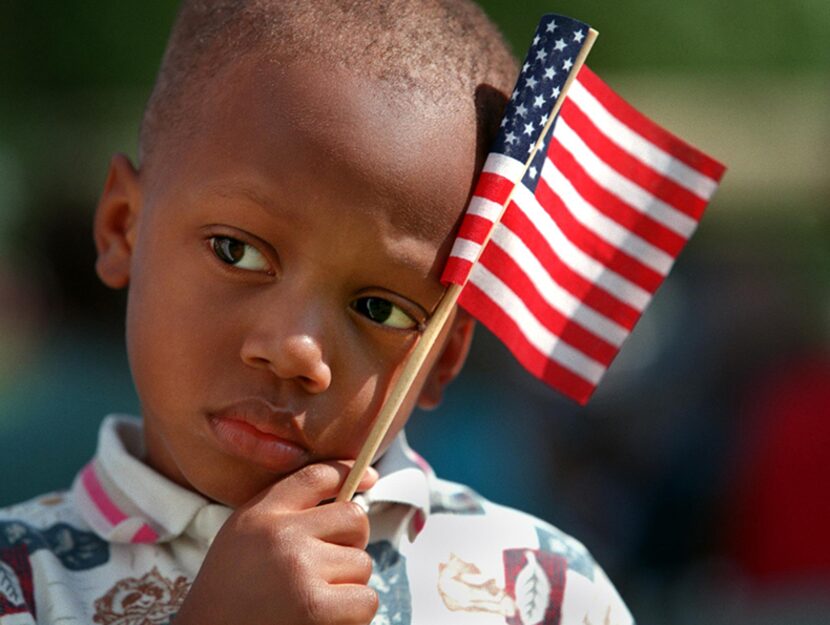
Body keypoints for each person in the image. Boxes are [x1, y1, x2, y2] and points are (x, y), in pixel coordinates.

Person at [0, 1, 633, 623]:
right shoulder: (21, 583)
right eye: (237, 251)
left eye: (380, 309)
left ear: (445, 357)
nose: (296, 350)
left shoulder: (544, 593)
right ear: (122, 229)